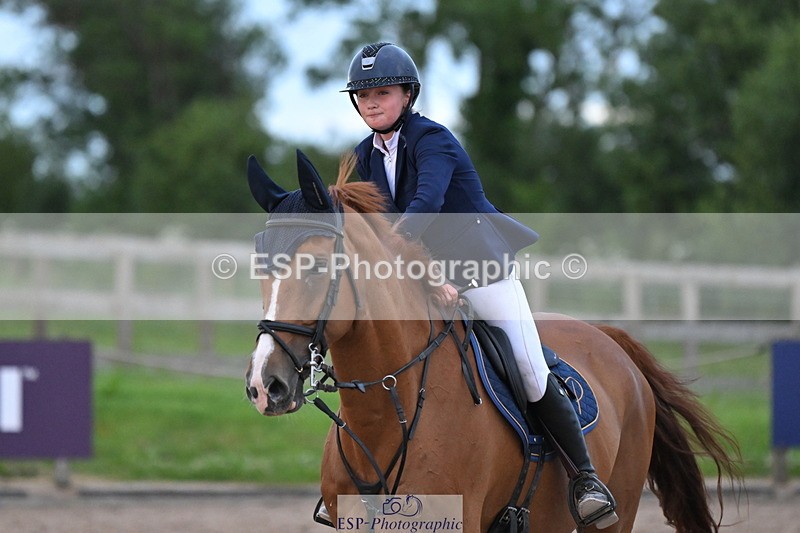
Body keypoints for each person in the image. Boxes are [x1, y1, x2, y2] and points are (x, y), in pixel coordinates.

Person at [342, 42, 618, 529]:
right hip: (425, 277)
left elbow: (425, 205)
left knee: (529, 369)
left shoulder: (433, 140)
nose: (371, 103)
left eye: (382, 92)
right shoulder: (366, 155)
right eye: (363, 95)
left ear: (407, 95)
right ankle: (364, 486)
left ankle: (586, 478)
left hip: (479, 271)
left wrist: (414, 265)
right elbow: (379, 222)